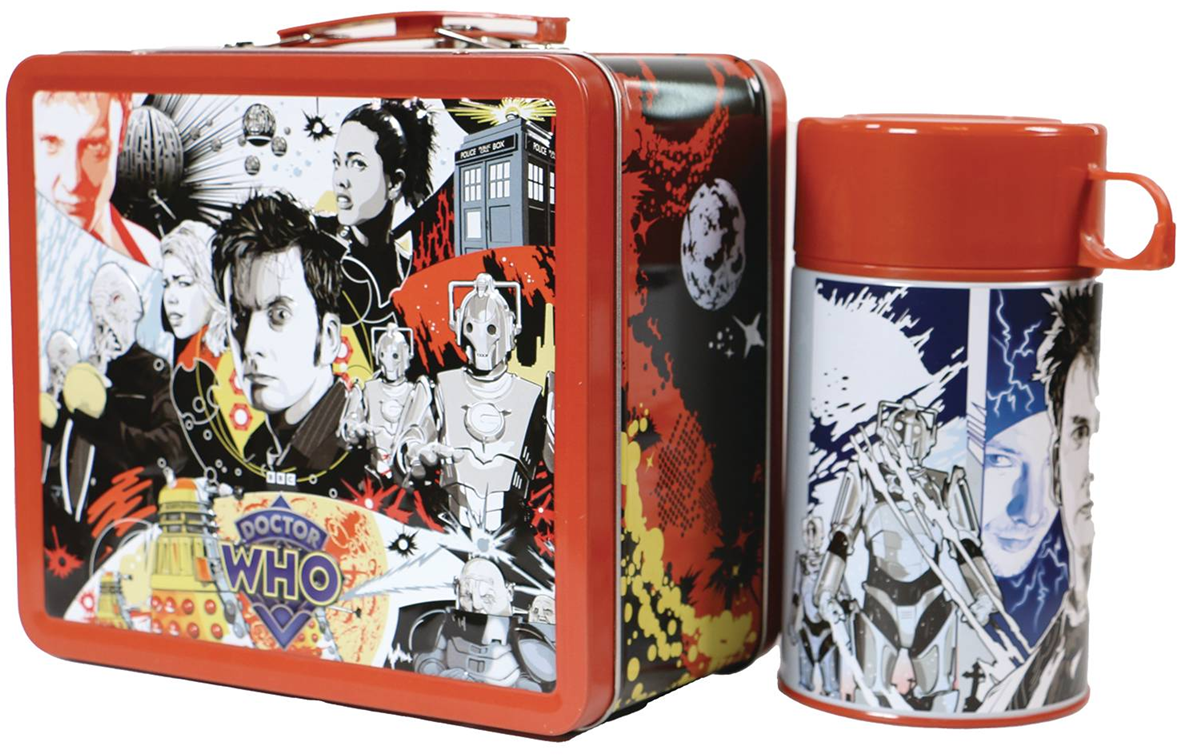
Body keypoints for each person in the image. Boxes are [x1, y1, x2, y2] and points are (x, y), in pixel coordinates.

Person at [982, 284, 1100, 712]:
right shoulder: (1018, 685)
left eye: (1083, 432)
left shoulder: (1055, 645)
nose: (1031, 512)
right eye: (999, 460)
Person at [212, 190, 360, 483]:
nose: (251, 344)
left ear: (329, 338)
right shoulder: (258, 451)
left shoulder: (356, 453)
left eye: (279, 315)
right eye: (240, 316)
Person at [320, 99, 437, 325]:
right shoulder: (317, 250)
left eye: (357, 164)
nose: (341, 179)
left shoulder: (409, 271)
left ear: (395, 183)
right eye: (337, 163)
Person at [33, 91, 160, 266]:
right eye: (51, 143)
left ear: (122, 133)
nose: (73, 181)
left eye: (94, 145)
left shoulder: (152, 257)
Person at [159, 221, 230, 478]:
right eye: (166, 284)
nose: (171, 297)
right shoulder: (189, 353)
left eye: (184, 282)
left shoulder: (232, 356)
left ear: (212, 282)